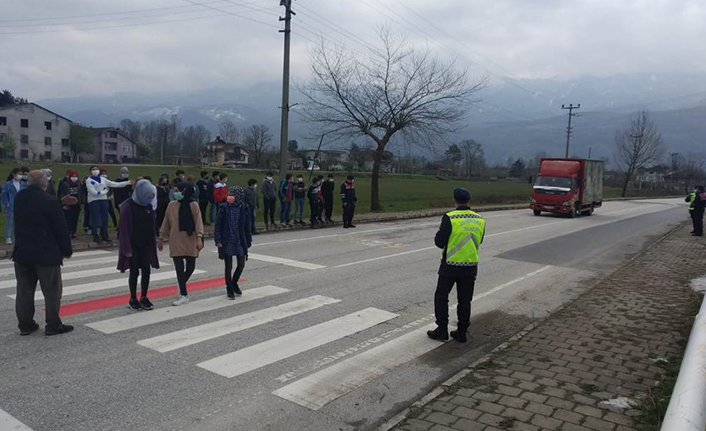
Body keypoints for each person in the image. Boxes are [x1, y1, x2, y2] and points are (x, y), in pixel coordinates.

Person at [13, 170, 73, 336]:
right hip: (46, 253)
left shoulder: (19, 198)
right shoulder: (50, 201)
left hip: (23, 252)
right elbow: (60, 228)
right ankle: (53, 324)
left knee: (24, 290)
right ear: (45, 184)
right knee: (52, 290)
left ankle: (25, 324)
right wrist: (67, 250)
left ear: (27, 182)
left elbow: (33, 211)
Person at [427, 188, 486, 343]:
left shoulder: (450, 217)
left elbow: (439, 242)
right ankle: (462, 332)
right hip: (471, 265)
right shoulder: (480, 219)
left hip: (451, 265)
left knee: (441, 297)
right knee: (465, 300)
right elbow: (480, 240)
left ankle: (442, 330)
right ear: (469, 200)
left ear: (455, 199)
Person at [159, 183, 204, 306]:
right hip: (176, 240)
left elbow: (198, 222)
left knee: (191, 267)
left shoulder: (194, 205)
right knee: (179, 268)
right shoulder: (171, 205)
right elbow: (166, 222)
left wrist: (199, 238)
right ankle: (184, 294)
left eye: (178, 191)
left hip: (191, 239)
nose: (175, 193)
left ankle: (181, 285)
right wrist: (161, 237)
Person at [118, 179, 160, 311]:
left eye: (151, 197)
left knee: (146, 270)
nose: (149, 199)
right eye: (148, 196)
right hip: (133, 244)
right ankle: (132, 298)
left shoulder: (148, 206)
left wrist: (156, 238)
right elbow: (123, 229)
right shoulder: (128, 206)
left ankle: (144, 296)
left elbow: (152, 224)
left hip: (146, 243)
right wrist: (127, 249)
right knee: (134, 271)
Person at [215, 186, 252, 299]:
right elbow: (218, 225)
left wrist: (248, 239)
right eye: (229, 194)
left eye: (232, 195)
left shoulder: (244, 208)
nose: (229, 197)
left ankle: (234, 282)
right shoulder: (224, 208)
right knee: (228, 266)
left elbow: (248, 226)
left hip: (240, 240)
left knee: (241, 264)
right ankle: (229, 288)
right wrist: (218, 240)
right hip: (227, 240)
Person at [85, 166, 130, 243]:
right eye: (93, 169)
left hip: (103, 200)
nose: (95, 171)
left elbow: (115, 184)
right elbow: (94, 192)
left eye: (96, 169)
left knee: (105, 218)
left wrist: (127, 182)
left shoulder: (103, 179)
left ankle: (104, 234)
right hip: (94, 201)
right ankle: (95, 235)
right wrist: (105, 191)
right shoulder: (88, 180)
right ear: (90, 171)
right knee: (95, 218)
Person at [2, 168, 27, 244]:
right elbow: (4, 195)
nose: (20, 175)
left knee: (18, 223)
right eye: (19, 174)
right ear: (14, 174)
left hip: (20, 206)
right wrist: (7, 204)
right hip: (11, 206)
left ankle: (15, 237)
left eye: (21, 174)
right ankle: (8, 237)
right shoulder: (8, 184)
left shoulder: (22, 184)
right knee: (9, 222)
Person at [57, 170, 81, 239]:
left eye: (75, 176)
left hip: (76, 204)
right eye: (73, 176)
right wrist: (63, 204)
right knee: (68, 218)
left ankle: (73, 231)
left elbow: (81, 193)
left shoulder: (79, 183)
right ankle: (68, 232)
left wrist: (81, 202)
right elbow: (61, 194)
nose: (74, 178)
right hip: (68, 203)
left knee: (75, 218)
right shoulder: (65, 184)